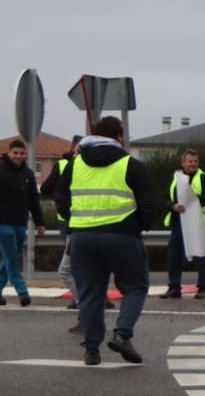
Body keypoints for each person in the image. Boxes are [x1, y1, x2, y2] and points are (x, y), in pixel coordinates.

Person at [64, 117, 157, 366]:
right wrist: (139, 226)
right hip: (122, 235)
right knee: (135, 287)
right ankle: (122, 334)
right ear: (118, 136)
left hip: (82, 237)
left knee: (90, 294)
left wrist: (73, 221)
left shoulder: (75, 165)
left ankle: (91, 350)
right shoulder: (131, 164)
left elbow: (60, 197)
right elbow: (150, 202)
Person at [0, 137, 46, 307]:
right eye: (15, 153)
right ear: (9, 152)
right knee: (11, 257)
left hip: (20, 222)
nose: (18, 156)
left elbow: (33, 201)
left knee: (9, 257)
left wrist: (39, 222)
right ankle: (22, 291)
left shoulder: (28, 174)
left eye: (22, 153)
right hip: (1, 222)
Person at [162, 148, 205, 299]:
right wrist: (172, 206)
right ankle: (174, 287)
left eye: (196, 161)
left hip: (197, 224)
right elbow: (165, 198)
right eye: (190, 161)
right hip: (178, 222)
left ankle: (203, 288)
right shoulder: (175, 177)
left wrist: (194, 197)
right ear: (183, 163)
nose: (193, 164)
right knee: (174, 257)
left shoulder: (203, 178)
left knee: (201, 256)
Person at [40, 137, 80, 314]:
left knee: (70, 266)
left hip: (69, 221)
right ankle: (87, 298)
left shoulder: (63, 165)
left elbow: (46, 189)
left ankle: (82, 299)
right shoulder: (70, 165)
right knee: (79, 265)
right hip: (82, 222)